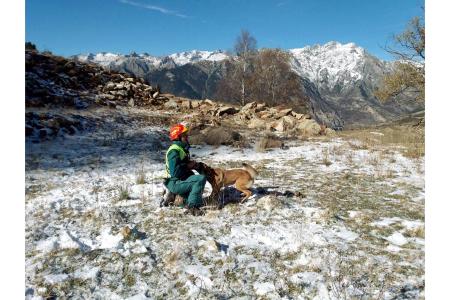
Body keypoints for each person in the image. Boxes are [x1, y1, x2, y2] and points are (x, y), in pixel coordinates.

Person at [161, 123, 206, 216]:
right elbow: (175, 172)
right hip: (174, 182)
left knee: (195, 190)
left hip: (178, 181)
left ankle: (175, 197)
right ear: (178, 137)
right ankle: (192, 207)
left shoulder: (180, 149)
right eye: (184, 135)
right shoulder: (174, 151)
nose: (187, 137)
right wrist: (188, 166)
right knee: (199, 180)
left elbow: (182, 165)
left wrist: (194, 166)